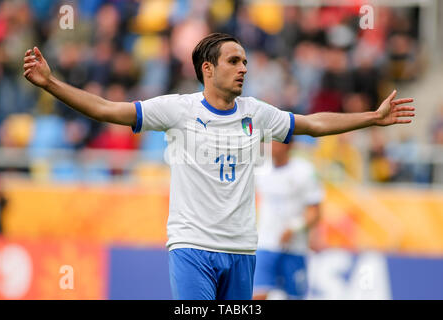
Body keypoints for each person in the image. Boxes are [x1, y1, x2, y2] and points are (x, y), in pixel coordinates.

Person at [22, 33, 415, 300]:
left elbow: (311, 124)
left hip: (242, 250)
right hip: (192, 247)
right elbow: (108, 110)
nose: (243, 67)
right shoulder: (177, 110)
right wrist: (51, 83)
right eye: (233, 61)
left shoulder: (256, 113)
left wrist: (372, 117)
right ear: (207, 69)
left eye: (244, 60)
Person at [253, 140, 323, 300]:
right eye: (270, 142)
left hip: (295, 248)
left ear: (289, 145)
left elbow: (315, 212)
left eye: (277, 143)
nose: (272, 147)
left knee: (293, 296)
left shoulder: (304, 171)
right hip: (265, 244)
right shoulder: (259, 170)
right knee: (258, 295)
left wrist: (294, 227)